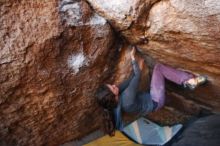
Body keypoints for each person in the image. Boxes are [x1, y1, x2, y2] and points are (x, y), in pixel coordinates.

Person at [96, 46, 207, 136]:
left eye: (111, 85)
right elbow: (137, 76)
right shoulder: (126, 99)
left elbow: (130, 80)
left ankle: (176, 95)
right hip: (155, 100)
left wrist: (135, 69)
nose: (114, 85)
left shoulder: (117, 100)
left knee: (167, 94)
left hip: (151, 101)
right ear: (112, 96)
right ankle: (188, 81)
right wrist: (133, 59)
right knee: (158, 68)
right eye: (112, 87)